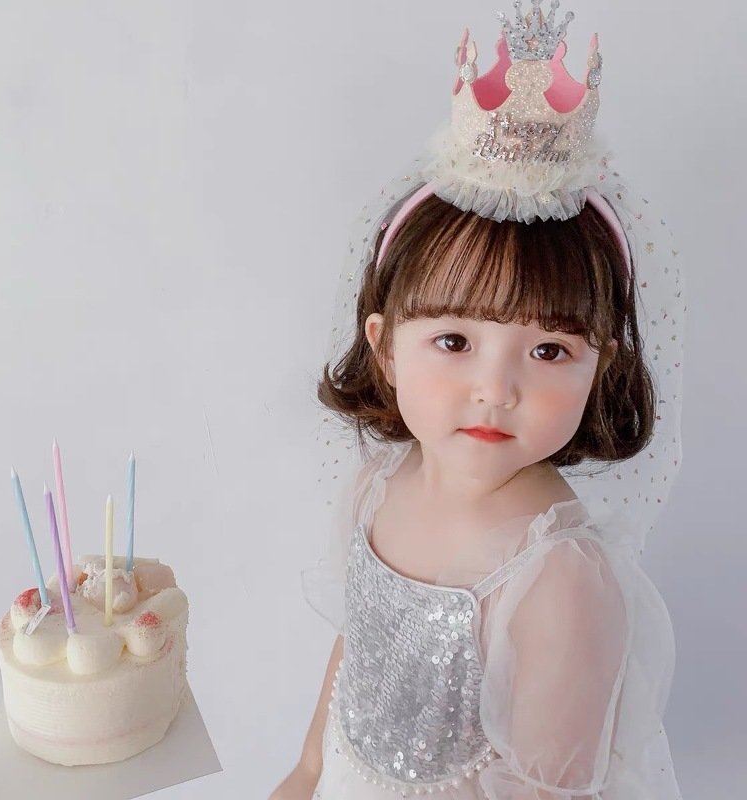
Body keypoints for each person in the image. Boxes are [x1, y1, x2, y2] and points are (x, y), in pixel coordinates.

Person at [271, 1, 685, 798]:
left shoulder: (559, 577)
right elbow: (357, 654)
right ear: (386, 347)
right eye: (455, 341)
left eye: (550, 350)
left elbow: (547, 787)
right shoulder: (377, 485)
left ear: (600, 370)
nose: (497, 389)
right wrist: (308, 769)